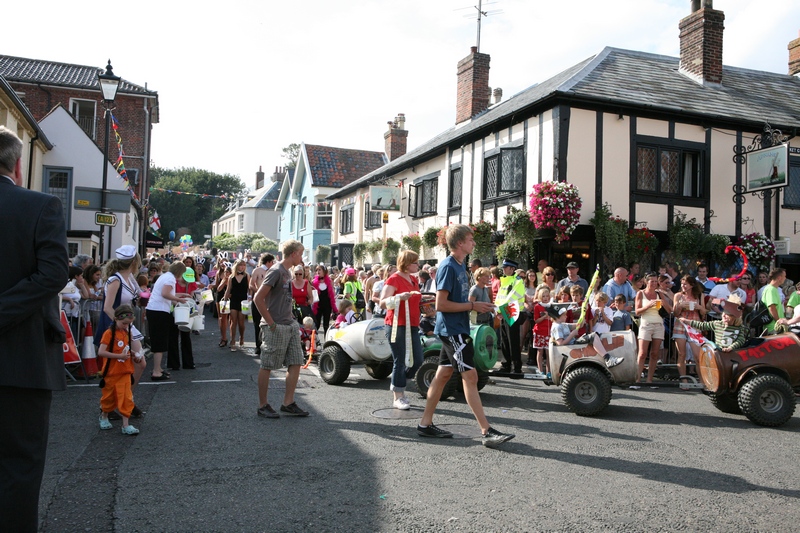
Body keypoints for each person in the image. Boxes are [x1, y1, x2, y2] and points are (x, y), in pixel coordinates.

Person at [0, 125, 69, 532]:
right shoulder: (40, 207)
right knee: (19, 469)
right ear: (19, 163)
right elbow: (52, 275)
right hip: (22, 363)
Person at [417, 224, 515, 448]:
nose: (473, 243)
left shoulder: (463, 267)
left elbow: (462, 302)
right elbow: (440, 304)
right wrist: (472, 305)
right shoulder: (448, 267)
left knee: (442, 375)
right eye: (470, 239)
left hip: (456, 328)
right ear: (460, 243)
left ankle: (424, 424)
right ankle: (486, 430)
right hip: (453, 331)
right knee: (470, 378)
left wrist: (481, 306)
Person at [253, 239, 310, 419]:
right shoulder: (276, 271)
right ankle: (263, 405)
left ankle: (288, 402)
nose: (301, 258)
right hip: (276, 325)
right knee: (268, 364)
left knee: (296, 361)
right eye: (300, 254)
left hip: (289, 324)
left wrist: (292, 319)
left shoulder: (287, 271)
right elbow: (258, 298)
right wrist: (271, 324)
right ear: (293, 253)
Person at [379, 250, 423, 410]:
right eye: (415, 262)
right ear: (406, 263)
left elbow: (416, 302)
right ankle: (398, 396)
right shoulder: (394, 279)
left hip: (412, 324)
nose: (417, 265)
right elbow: (382, 303)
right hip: (396, 324)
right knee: (400, 359)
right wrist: (398, 297)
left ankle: (399, 382)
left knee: (418, 359)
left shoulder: (413, 279)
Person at [97, 304, 143, 435]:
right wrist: (119, 356)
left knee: (126, 398)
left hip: (125, 372)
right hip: (111, 372)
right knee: (109, 398)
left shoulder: (126, 333)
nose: (126, 326)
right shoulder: (109, 333)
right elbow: (101, 352)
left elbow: (126, 349)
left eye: (129, 324)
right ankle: (104, 415)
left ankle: (126, 424)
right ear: (116, 319)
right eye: (124, 323)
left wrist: (134, 355)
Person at [145, 262, 193, 380]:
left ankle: (159, 368)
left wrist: (180, 295)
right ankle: (156, 371)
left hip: (154, 310)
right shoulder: (171, 279)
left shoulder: (165, 276)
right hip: (159, 311)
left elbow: (166, 293)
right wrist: (179, 299)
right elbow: (165, 294)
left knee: (159, 340)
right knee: (160, 341)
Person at [635, 272, 672, 383]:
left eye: (656, 281)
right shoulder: (641, 293)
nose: (654, 283)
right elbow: (637, 311)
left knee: (655, 353)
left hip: (658, 324)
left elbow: (670, 310)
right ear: (647, 282)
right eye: (652, 281)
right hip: (646, 324)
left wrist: (663, 302)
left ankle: (649, 379)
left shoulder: (659, 293)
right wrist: (648, 305)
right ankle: (637, 378)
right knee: (642, 353)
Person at [679, 296, 748, 353]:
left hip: (733, 354)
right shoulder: (717, 324)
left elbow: (741, 340)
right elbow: (702, 325)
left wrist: (730, 348)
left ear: (734, 317)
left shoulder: (739, 327)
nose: (724, 316)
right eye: (724, 313)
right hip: (719, 354)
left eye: (728, 315)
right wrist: (687, 321)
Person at [672, 275, 706, 379]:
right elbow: (675, 313)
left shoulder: (700, 296)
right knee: (682, 355)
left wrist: (699, 307)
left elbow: (704, 313)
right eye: (682, 284)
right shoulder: (678, 295)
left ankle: (702, 381)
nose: (683, 286)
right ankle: (684, 379)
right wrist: (679, 306)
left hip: (694, 325)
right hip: (680, 325)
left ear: (692, 285)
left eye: (685, 284)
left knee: (697, 356)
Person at [171, 269, 197, 370]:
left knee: (186, 335)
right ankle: (174, 364)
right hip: (174, 309)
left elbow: (191, 297)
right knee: (173, 337)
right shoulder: (174, 282)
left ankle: (188, 363)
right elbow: (171, 297)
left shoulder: (192, 283)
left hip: (186, 309)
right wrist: (178, 304)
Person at [249, 254, 274, 356]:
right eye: (272, 262)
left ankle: (268, 345)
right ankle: (258, 346)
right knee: (257, 324)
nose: (273, 264)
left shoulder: (273, 272)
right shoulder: (257, 271)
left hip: (270, 301)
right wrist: (259, 292)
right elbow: (251, 284)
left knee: (270, 323)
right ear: (268, 262)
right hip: (258, 300)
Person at [224, 259, 250, 351]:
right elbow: (228, 289)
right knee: (233, 321)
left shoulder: (247, 276)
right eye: (240, 265)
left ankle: (242, 337)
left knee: (241, 323)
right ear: (236, 266)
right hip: (234, 300)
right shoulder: (231, 277)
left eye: (244, 265)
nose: (242, 267)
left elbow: (249, 289)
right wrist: (224, 301)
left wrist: (250, 297)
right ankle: (232, 340)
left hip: (243, 301)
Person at [531, 287, 552, 373]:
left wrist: (550, 316)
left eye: (547, 296)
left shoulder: (551, 306)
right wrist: (544, 316)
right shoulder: (537, 307)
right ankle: (540, 370)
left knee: (548, 353)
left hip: (549, 332)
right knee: (540, 351)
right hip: (539, 332)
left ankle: (549, 371)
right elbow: (536, 320)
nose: (546, 298)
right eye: (543, 296)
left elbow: (555, 319)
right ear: (540, 297)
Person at [312, 264, 337, 333]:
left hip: (327, 305)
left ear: (324, 271)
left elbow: (332, 293)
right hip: (318, 306)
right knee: (316, 324)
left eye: (319, 270)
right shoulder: (314, 282)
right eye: (317, 270)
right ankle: (315, 341)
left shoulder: (329, 281)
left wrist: (333, 305)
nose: (318, 271)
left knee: (326, 325)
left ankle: (326, 341)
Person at [761, 268, 787, 334]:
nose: (785, 278)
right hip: (773, 327)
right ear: (779, 277)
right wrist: (779, 322)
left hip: (774, 326)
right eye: (784, 276)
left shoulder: (773, 289)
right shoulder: (771, 289)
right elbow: (771, 307)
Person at [215, 265, 232, 347]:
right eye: (226, 272)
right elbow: (218, 288)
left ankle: (231, 339)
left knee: (230, 319)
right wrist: (224, 281)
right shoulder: (221, 276)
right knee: (222, 319)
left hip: (230, 300)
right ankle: (223, 338)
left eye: (228, 272)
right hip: (220, 298)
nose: (227, 273)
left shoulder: (233, 279)